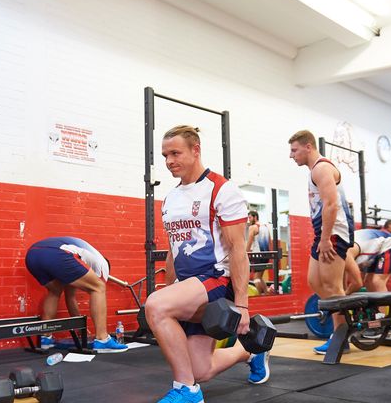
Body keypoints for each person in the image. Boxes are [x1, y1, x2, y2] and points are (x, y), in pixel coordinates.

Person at [144, 125, 268, 403]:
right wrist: (168, 288)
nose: (169, 161)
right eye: (165, 155)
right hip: (189, 287)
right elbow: (174, 249)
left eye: (175, 153)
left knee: (155, 305)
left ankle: (187, 391)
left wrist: (242, 305)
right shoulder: (171, 198)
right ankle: (250, 352)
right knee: (200, 369)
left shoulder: (221, 190)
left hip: (216, 280)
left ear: (195, 150)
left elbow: (238, 250)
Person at [289, 129, 355, 355]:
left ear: (308, 146)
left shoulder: (322, 168)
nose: (291, 155)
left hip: (334, 233)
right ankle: (342, 325)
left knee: (332, 286)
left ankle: (341, 337)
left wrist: (326, 238)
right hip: (323, 234)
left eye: (294, 150)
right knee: (315, 281)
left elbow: (331, 205)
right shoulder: (315, 171)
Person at [25, 236, 128, 353]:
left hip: (33, 254)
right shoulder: (103, 265)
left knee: (55, 290)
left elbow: (70, 297)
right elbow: (97, 287)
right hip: (55, 252)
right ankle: (102, 339)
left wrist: (80, 329)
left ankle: (45, 338)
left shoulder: (80, 258)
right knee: (99, 287)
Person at [346, 229, 391, 306]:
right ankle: (376, 310)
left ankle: (383, 314)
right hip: (372, 248)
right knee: (368, 281)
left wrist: (344, 297)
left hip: (390, 244)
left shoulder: (345, 255)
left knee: (377, 281)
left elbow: (357, 283)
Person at [246, 210, 274, 295]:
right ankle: (266, 294)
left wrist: (245, 254)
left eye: (250, 217)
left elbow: (249, 242)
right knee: (260, 277)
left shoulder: (253, 227)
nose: (249, 220)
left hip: (258, 255)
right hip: (266, 255)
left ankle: (259, 297)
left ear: (255, 217)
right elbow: (270, 242)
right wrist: (271, 255)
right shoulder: (265, 227)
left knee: (256, 278)